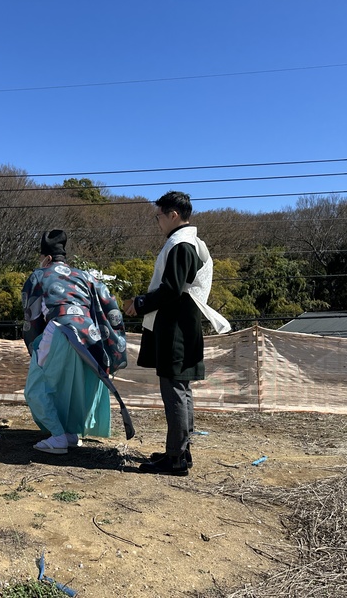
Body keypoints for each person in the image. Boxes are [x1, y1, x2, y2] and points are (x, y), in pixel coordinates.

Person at [123, 191, 230, 475]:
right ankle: (180, 451)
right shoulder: (192, 242)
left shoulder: (181, 244)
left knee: (174, 391)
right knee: (181, 390)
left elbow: (171, 290)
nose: (157, 221)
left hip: (176, 326)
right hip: (184, 323)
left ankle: (176, 458)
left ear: (173, 215)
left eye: (158, 216)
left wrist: (140, 303)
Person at [22, 229, 127, 454]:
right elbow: (108, 305)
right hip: (89, 334)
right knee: (74, 384)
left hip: (59, 328)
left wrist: (34, 344)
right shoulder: (85, 276)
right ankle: (70, 433)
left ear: (47, 258)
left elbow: (31, 315)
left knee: (36, 386)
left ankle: (58, 436)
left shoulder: (39, 275)